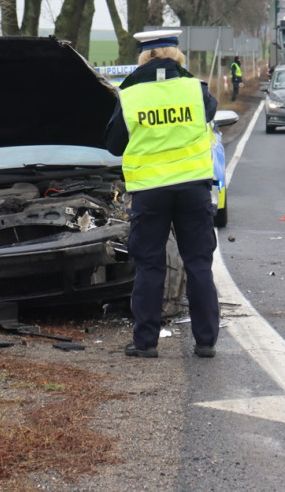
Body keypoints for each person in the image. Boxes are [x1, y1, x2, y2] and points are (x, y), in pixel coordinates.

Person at [105, 29, 220, 359]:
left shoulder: (129, 95)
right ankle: (206, 341)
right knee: (198, 264)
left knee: (150, 266)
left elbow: (113, 145)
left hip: (150, 192)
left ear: (143, 57)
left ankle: (146, 343)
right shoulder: (195, 90)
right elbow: (209, 117)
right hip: (193, 188)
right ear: (177, 55)